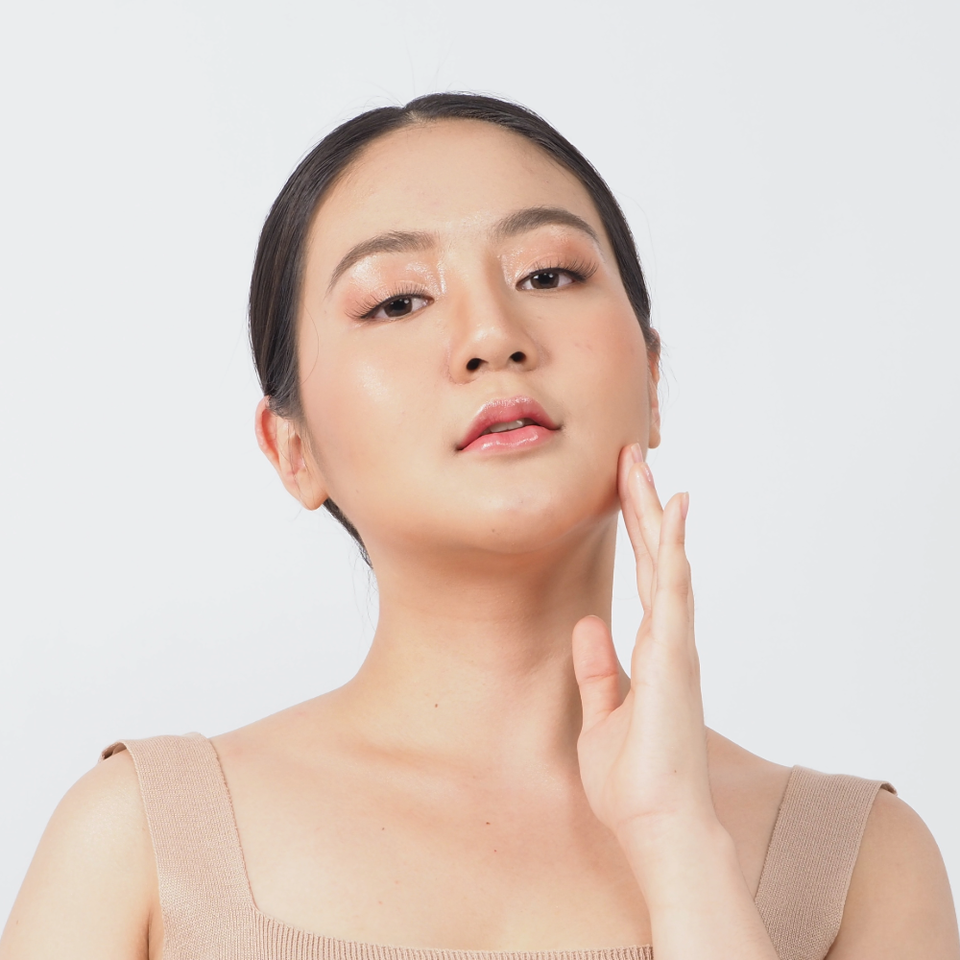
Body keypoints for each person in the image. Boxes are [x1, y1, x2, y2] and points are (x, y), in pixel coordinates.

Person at [1, 93, 956, 960]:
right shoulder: (140, 847)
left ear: (652, 380)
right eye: (397, 301)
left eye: (548, 274)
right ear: (293, 451)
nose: (493, 335)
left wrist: (680, 843)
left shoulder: (858, 865)